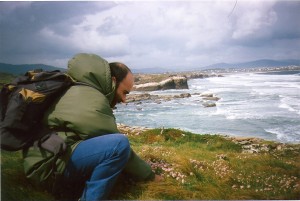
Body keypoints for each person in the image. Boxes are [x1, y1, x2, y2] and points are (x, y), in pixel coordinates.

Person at [22, 53, 159, 200]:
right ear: (113, 81)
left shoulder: (79, 89)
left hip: (49, 158)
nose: (125, 100)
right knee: (119, 145)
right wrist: (149, 176)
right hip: (48, 169)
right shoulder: (91, 99)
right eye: (124, 92)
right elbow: (114, 146)